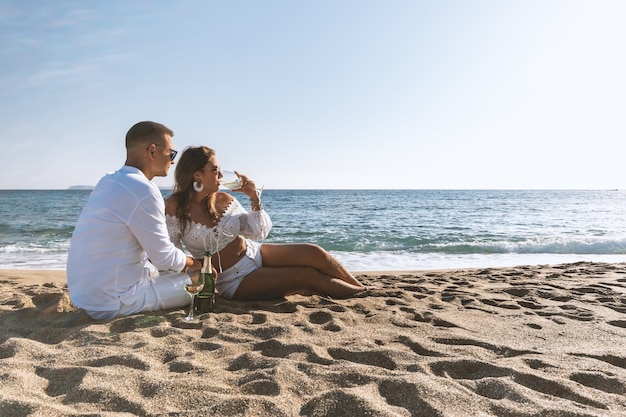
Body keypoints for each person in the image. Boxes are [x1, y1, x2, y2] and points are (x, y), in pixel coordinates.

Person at [164, 146, 366, 301]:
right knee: (306, 275)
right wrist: (193, 276)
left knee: (315, 252)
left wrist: (254, 197)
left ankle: (362, 290)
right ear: (197, 175)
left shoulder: (224, 199)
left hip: (256, 252)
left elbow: (257, 232)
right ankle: (359, 296)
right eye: (215, 170)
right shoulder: (173, 208)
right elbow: (169, 255)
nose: (220, 176)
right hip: (233, 280)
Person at [67, 121, 203, 320]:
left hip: (84, 296)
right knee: (203, 280)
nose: (173, 161)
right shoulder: (144, 189)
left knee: (163, 271)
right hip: (114, 302)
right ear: (152, 151)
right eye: (171, 154)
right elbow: (163, 258)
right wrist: (196, 263)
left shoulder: (108, 181)